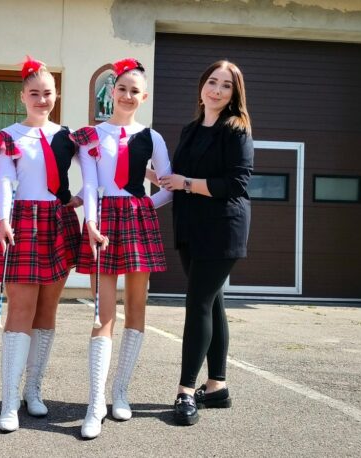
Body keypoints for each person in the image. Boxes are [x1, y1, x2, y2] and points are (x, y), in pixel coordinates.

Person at [71, 58, 172, 439]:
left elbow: (167, 186)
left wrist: (144, 206)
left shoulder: (152, 137)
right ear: (111, 93)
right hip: (101, 222)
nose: (128, 95)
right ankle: (95, 402)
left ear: (143, 97)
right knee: (102, 314)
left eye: (135, 91)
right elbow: (90, 184)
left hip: (136, 221)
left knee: (136, 308)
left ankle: (121, 391)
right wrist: (91, 222)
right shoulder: (90, 135)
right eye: (122, 89)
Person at [158, 60, 254, 427]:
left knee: (197, 302)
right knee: (213, 304)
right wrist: (152, 175)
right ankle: (216, 387)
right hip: (189, 226)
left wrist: (185, 183)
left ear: (234, 94)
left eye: (226, 85)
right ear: (201, 86)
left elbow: (236, 184)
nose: (217, 90)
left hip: (222, 228)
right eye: (212, 82)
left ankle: (185, 391)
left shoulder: (236, 130)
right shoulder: (191, 129)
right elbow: (177, 177)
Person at [0, 56, 83, 433]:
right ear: (22, 96)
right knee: (20, 311)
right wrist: (3, 216)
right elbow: (5, 181)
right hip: (22, 222)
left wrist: (83, 198)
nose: (41, 100)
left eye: (47, 93)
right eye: (34, 93)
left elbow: (103, 170)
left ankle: (33, 390)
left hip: (58, 220)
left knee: (47, 310)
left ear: (55, 94)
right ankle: (8, 401)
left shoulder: (69, 136)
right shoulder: (7, 136)